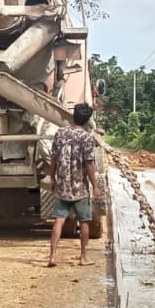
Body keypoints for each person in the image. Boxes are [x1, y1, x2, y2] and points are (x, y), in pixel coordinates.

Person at [47, 102, 100, 268]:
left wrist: (53, 178)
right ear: (87, 120)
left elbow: (54, 158)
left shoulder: (60, 133)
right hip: (80, 188)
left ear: (73, 116)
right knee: (84, 221)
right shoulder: (86, 137)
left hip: (62, 185)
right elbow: (89, 164)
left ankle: (52, 257)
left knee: (59, 220)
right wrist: (95, 186)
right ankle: (83, 257)